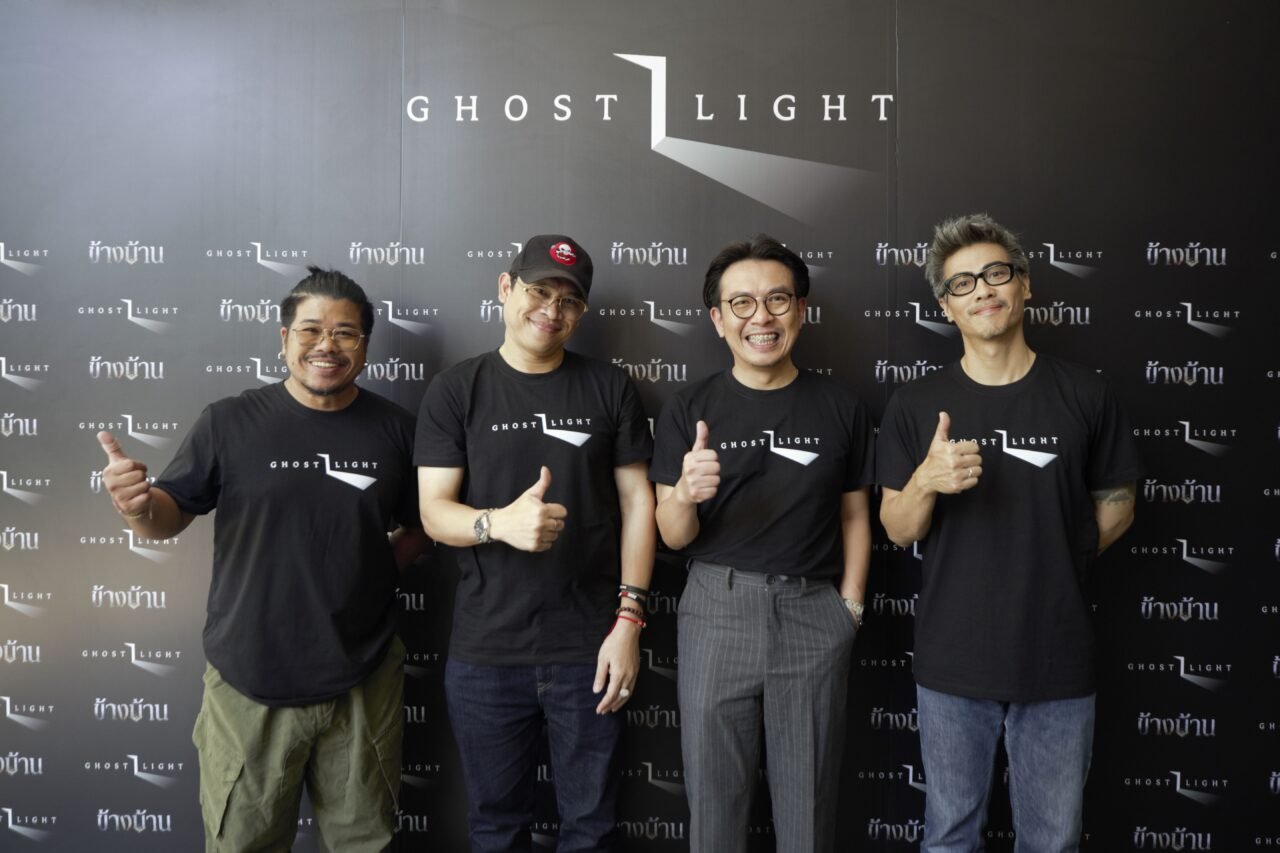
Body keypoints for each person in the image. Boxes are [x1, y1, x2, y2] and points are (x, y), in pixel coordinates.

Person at [96, 267, 429, 853]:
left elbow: (425, 524)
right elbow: (168, 515)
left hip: (363, 676)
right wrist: (136, 507)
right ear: (283, 339)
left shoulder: (396, 430)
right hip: (248, 679)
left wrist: (374, 571)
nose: (327, 345)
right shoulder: (229, 421)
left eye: (345, 333)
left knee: (366, 844)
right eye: (311, 330)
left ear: (365, 345)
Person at [877, 213, 1141, 852]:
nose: (983, 290)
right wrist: (926, 481)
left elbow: (1118, 506)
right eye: (963, 283)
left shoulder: (1085, 394)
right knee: (949, 838)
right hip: (953, 660)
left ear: (1024, 285)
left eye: (997, 273)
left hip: (1057, 657)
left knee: (1052, 841)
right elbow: (896, 527)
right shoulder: (915, 405)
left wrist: (1057, 557)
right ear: (946, 306)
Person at [414, 234, 655, 853]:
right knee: (496, 829)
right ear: (505, 288)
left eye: (569, 300)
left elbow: (639, 504)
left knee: (592, 831)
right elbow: (434, 513)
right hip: (486, 653)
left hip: (590, 651)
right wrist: (499, 523)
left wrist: (628, 622)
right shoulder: (456, 389)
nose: (552, 309)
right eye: (539, 291)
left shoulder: (610, 386)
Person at [649, 235, 873, 853]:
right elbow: (672, 534)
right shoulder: (690, 407)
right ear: (718, 319)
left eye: (777, 300)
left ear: (801, 309)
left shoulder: (840, 407)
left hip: (813, 614)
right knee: (715, 810)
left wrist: (849, 608)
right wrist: (685, 494)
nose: (761, 318)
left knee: (808, 812)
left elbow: (856, 515)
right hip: (715, 611)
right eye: (741, 304)